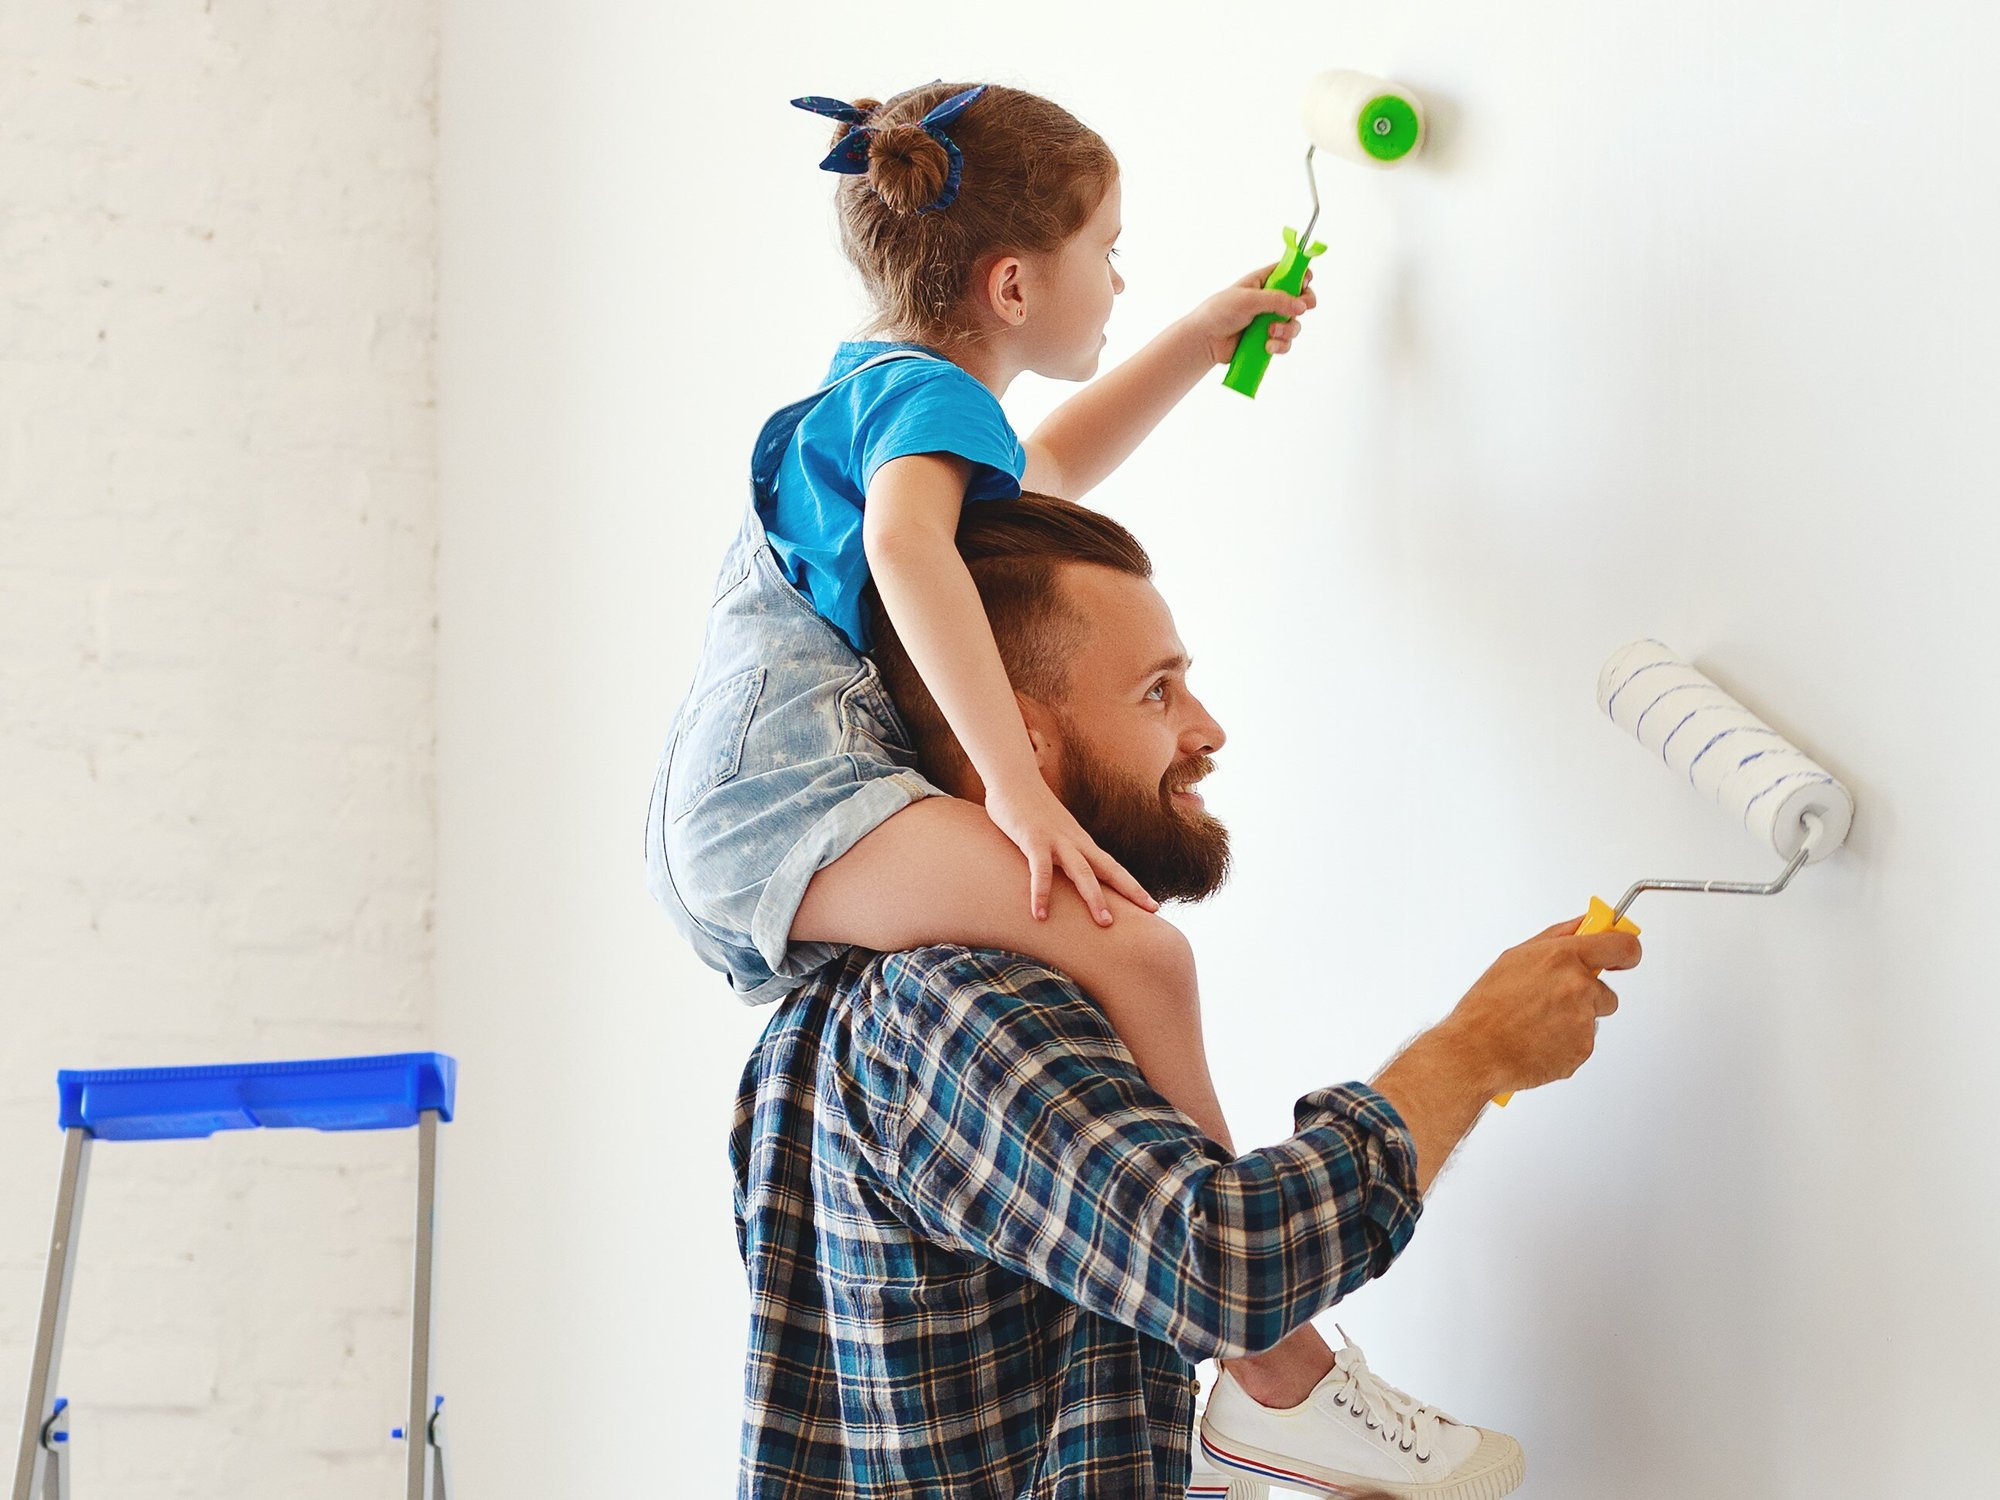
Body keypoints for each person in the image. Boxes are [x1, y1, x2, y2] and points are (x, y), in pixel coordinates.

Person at [641, 75, 1357, 1449]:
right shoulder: (916, 410)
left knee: (1110, 954)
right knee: (1137, 950)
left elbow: (1044, 474)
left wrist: (1200, 340)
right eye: (1109, 252)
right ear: (1017, 283)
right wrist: (1015, 786)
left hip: (740, 807)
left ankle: (1255, 1342)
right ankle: (1270, 1357)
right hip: (794, 798)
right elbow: (917, 556)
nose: (1120, 279)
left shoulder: (890, 397)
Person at [726, 494, 1644, 1497]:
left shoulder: (865, 1009)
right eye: (1157, 693)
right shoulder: (950, 1002)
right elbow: (1218, 1268)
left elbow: (1107, 1327)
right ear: (1022, 741)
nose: (1206, 730)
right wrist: (1472, 1052)